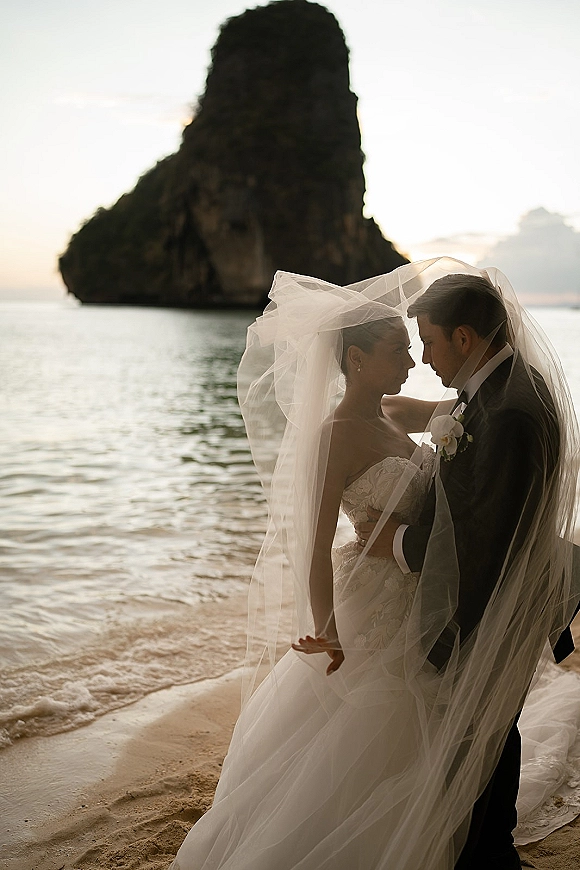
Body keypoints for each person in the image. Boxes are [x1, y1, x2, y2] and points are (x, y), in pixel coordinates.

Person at [170, 259, 580, 870]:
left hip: (441, 593)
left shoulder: (467, 411)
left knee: (462, 729)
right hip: (390, 600)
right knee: (392, 727)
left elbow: (470, 515)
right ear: (357, 360)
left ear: (463, 338)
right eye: (400, 349)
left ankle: (465, 843)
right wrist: (326, 623)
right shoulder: (340, 434)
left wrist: (395, 532)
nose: (417, 361)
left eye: (424, 344)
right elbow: (314, 543)